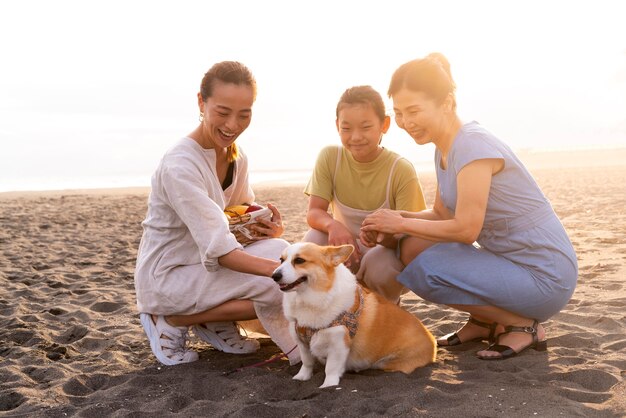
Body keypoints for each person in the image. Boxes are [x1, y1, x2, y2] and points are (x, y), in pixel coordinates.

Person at [360, 53, 578, 360]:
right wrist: (389, 220)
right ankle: (484, 321)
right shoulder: (444, 148)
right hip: (509, 263)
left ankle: (522, 326)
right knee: (410, 247)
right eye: (398, 113)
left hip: (544, 275)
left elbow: (465, 229)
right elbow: (441, 215)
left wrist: (400, 224)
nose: (406, 122)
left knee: (428, 268)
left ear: (446, 103)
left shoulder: (473, 145)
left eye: (414, 111)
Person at [134, 61, 299, 366]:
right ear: (201, 102)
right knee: (278, 281)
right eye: (223, 112)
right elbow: (222, 251)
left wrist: (267, 231)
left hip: (204, 268)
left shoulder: (237, 157)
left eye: (244, 114)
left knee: (280, 249)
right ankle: (170, 318)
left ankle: (212, 320)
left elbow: (235, 222)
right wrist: (283, 273)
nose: (233, 125)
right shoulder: (179, 165)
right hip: (169, 276)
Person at [303, 85, 427, 302]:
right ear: (337, 126)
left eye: (366, 127)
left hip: (383, 256)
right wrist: (334, 225)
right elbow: (314, 212)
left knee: (380, 264)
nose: (356, 137)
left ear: (384, 125)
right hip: (343, 250)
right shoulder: (330, 157)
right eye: (347, 128)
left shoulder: (401, 170)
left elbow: (410, 237)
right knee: (313, 239)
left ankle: (386, 309)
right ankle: (323, 310)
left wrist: (383, 236)